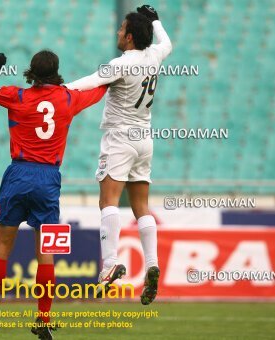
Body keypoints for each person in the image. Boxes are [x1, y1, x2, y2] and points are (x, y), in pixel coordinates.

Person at [0, 50, 107, 339]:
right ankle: (43, 319)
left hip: (17, 174)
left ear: (31, 71)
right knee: (46, 252)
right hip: (48, 180)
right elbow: (99, 89)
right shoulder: (69, 99)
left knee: (1, 247)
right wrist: (120, 72)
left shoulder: (16, 96)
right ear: (57, 71)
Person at [66, 5, 172, 305]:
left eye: (120, 29)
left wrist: (57, 89)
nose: (117, 32)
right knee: (141, 206)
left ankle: (109, 264)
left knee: (108, 201)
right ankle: (152, 263)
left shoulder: (121, 64)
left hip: (120, 137)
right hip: (145, 138)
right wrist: (157, 20)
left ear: (128, 37)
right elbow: (167, 44)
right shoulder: (154, 56)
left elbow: (87, 82)